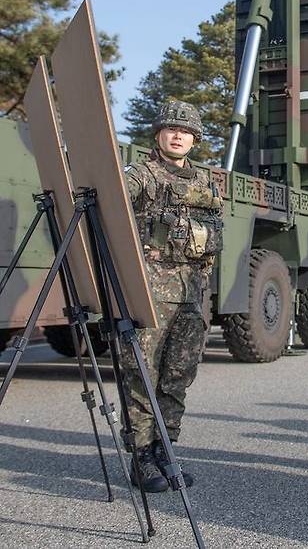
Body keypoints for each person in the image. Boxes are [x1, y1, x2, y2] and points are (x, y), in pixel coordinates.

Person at [121, 100, 223, 492]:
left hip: (192, 291)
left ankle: (166, 448)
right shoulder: (140, 175)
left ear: (194, 139)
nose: (177, 135)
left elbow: (215, 229)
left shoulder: (204, 182)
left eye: (185, 131)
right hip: (151, 290)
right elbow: (113, 207)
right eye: (170, 129)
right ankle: (141, 456)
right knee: (142, 373)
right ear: (158, 135)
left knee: (179, 374)